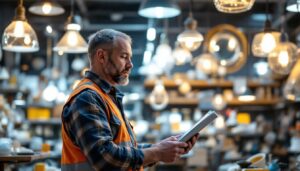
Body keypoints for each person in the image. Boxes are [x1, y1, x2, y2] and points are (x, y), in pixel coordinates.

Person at [61, 29, 199, 171]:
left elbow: (123, 150)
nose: (130, 64)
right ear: (101, 56)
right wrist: (157, 153)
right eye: (123, 56)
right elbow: (104, 157)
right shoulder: (87, 97)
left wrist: (161, 147)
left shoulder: (107, 96)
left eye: (129, 57)